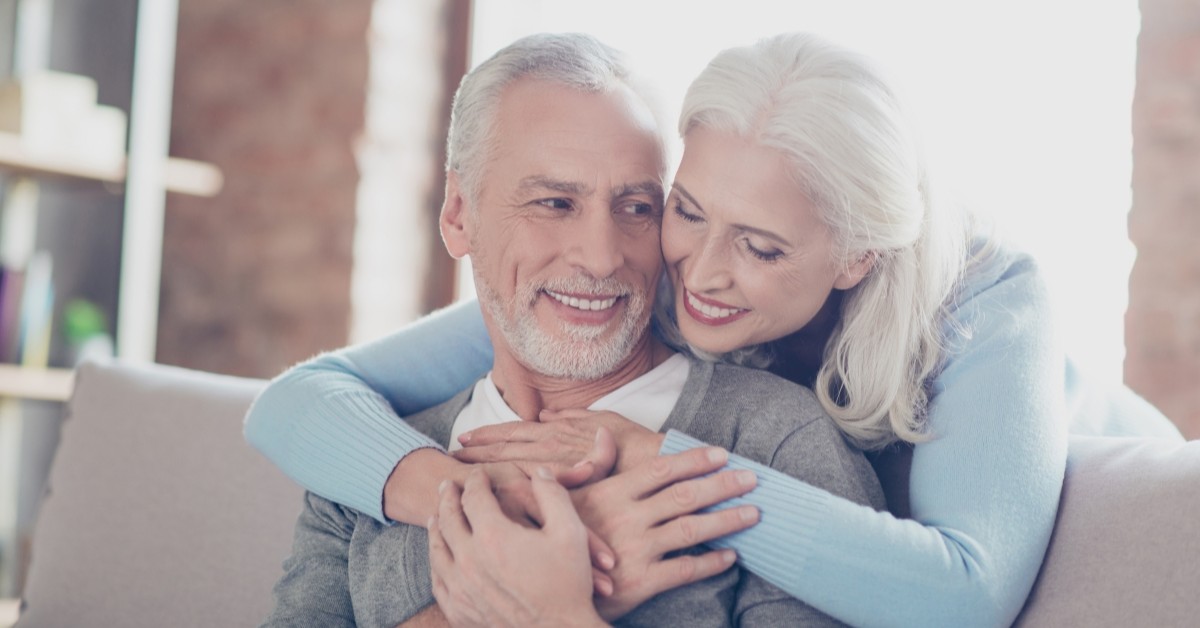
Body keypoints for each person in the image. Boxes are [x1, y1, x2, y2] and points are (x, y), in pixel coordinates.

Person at [247, 32, 1184, 628]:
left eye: (763, 249)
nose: (696, 274)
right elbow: (298, 401)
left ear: (852, 257)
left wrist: (658, 474)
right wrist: (497, 521)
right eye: (686, 211)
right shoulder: (648, 270)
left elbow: (963, 597)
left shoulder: (983, 304)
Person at [259, 32, 884, 627]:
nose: (601, 256)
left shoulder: (774, 445)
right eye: (555, 203)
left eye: (637, 208)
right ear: (458, 215)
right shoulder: (371, 465)